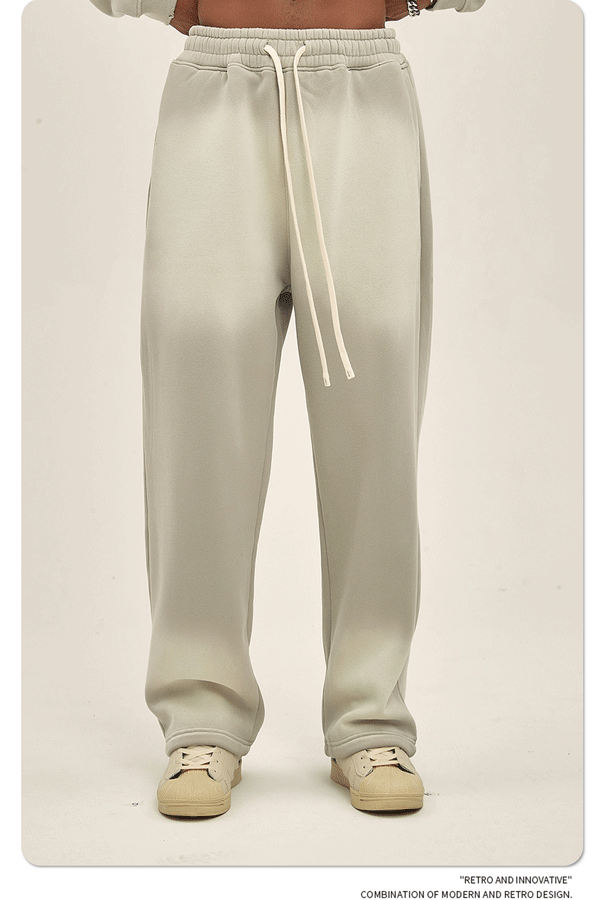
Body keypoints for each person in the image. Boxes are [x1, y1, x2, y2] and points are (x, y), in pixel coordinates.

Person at [88, 0, 486, 817]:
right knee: (197, 417)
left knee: (376, 415)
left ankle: (371, 718)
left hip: (362, 95)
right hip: (216, 91)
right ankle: (200, 717)